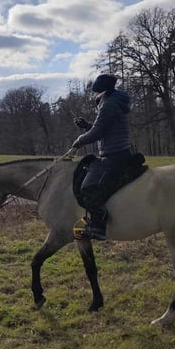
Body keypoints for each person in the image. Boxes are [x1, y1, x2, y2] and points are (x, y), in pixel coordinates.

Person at [71, 73, 133, 240]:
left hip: (114, 155)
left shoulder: (109, 105)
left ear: (102, 90)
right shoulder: (115, 101)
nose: (94, 95)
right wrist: (86, 126)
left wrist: (79, 141)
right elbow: (104, 130)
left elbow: (98, 133)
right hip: (120, 152)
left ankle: (99, 226)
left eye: (95, 92)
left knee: (87, 187)